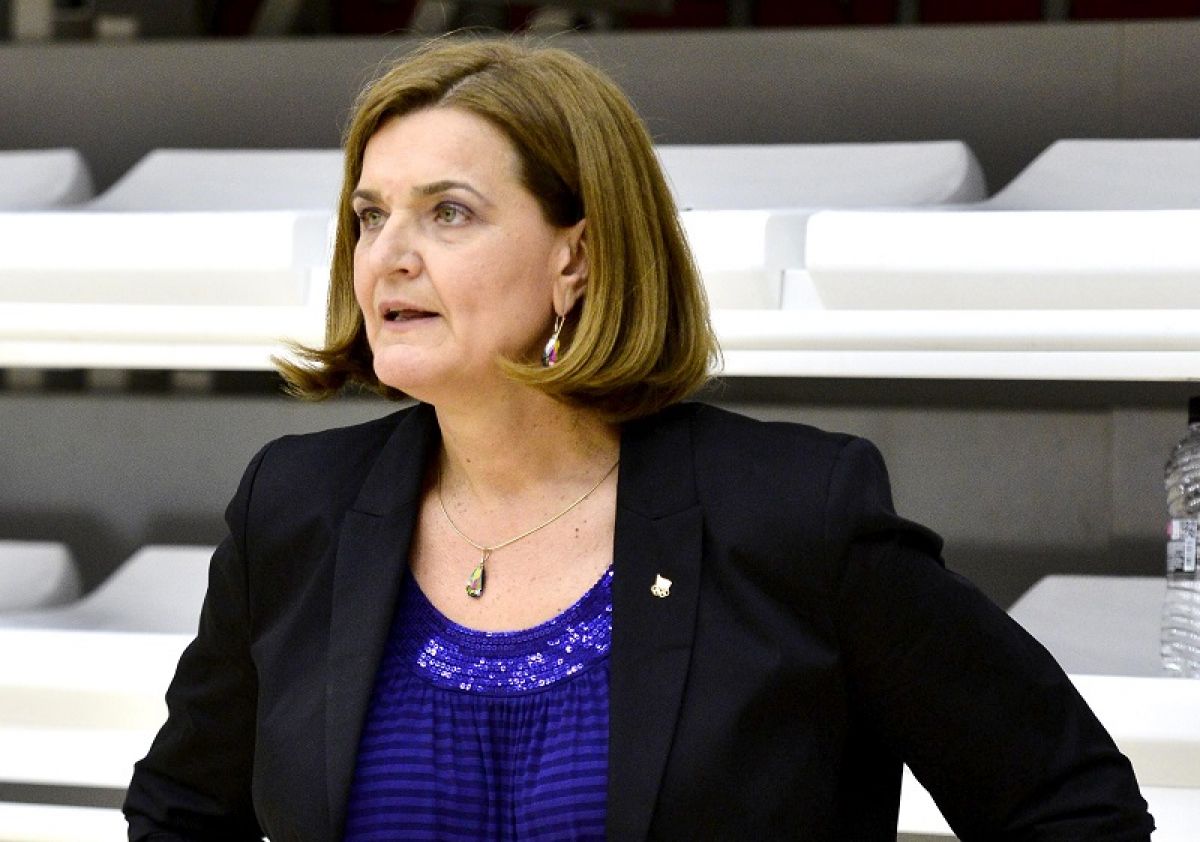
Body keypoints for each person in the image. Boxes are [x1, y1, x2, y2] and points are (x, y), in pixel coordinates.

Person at [124, 38, 1153, 841]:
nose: (387, 255)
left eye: (448, 214)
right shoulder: (294, 506)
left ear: (576, 258)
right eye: (368, 215)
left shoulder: (793, 513)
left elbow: (1070, 807)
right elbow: (181, 812)